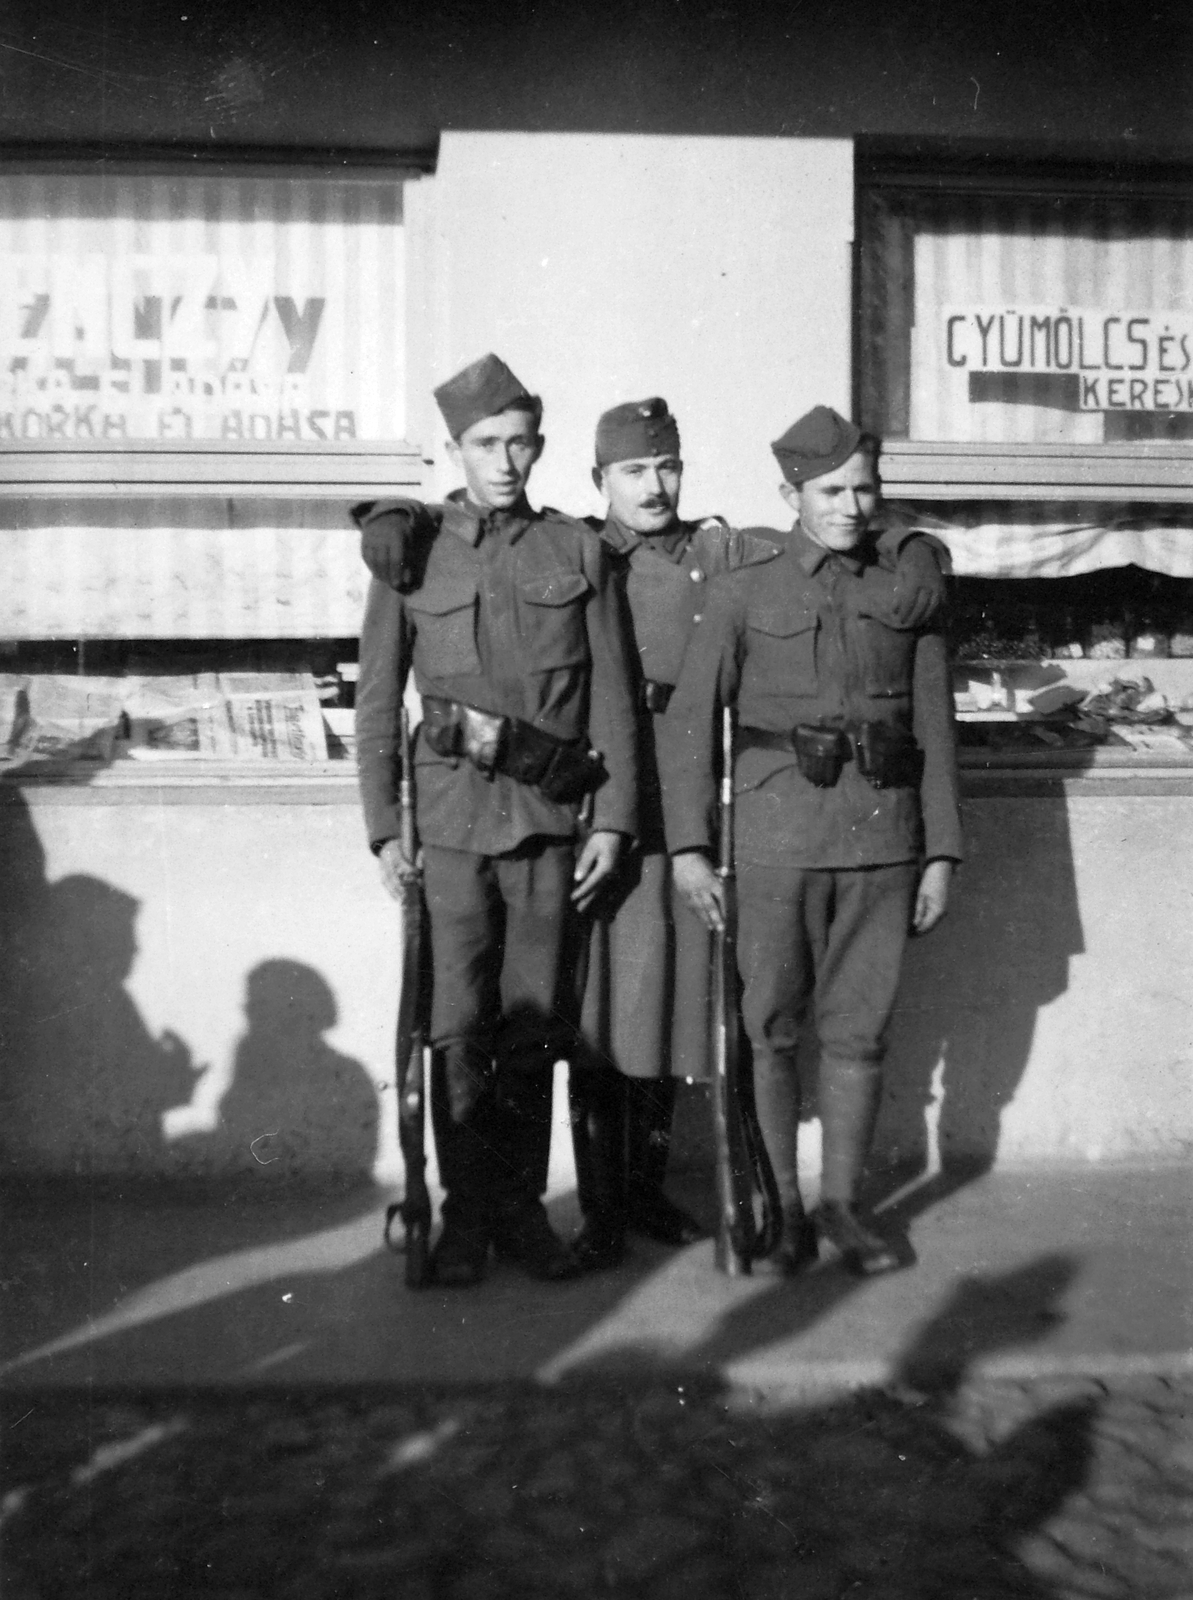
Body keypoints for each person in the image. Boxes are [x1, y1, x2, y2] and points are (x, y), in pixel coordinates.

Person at [354, 352, 637, 1287]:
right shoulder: (413, 550)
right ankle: (466, 1215)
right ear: (455, 449)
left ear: (540, 448)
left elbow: (612, 701)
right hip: (448, 827)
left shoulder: (577, 551)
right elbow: (377, 700)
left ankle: (519, 1212)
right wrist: (383, 827)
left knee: (534, 1028)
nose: (505, 460)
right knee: (456, 1026)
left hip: (550, 824)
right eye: (485, 444)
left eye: (519, 443)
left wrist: (613, 821)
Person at [659, 405, 962, 1276]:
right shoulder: (743, 591)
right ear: (790, 492)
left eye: (865, 488)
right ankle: (783, 1205)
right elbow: (688, 729)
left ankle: (842, 1207)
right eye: (830, 490)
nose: (850, 506)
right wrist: (688, 846)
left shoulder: (904, 589)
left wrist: (939, 850)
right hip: (777, 841)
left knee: (861, 1032)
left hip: (882, 840)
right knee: (772, 1028)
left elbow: (936, 726)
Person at [568, 397, 782, 1270]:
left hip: (691, 806)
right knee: (603, 1018)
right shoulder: (581, 552)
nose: (653, 488)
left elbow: (824, 538)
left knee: (673, 1015)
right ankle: (599, 1209)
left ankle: (646, 1190)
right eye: (632, 471)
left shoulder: (718, 550)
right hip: (613, 810)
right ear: (599, 481)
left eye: (666, 467)